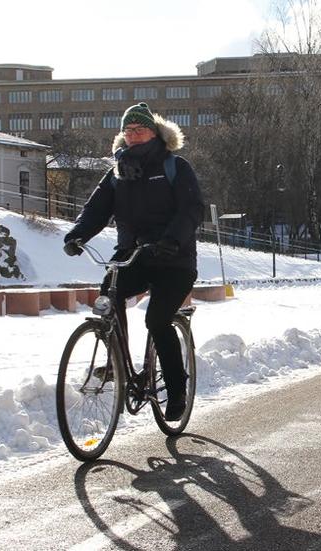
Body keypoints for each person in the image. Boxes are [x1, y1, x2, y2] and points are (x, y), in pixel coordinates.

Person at [62, 103, 204, 421]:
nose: (133, 136)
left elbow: (192, 209)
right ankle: (116, 361)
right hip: (133, 256)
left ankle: (177, 390)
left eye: (139, 130)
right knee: (109, 293)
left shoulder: (175, 167)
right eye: (128, 132)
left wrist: (171, 241)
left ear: (155, 133)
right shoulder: (116, 173)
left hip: (174, 260)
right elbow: (95, 209)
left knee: (156, 320)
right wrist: (77, 235)